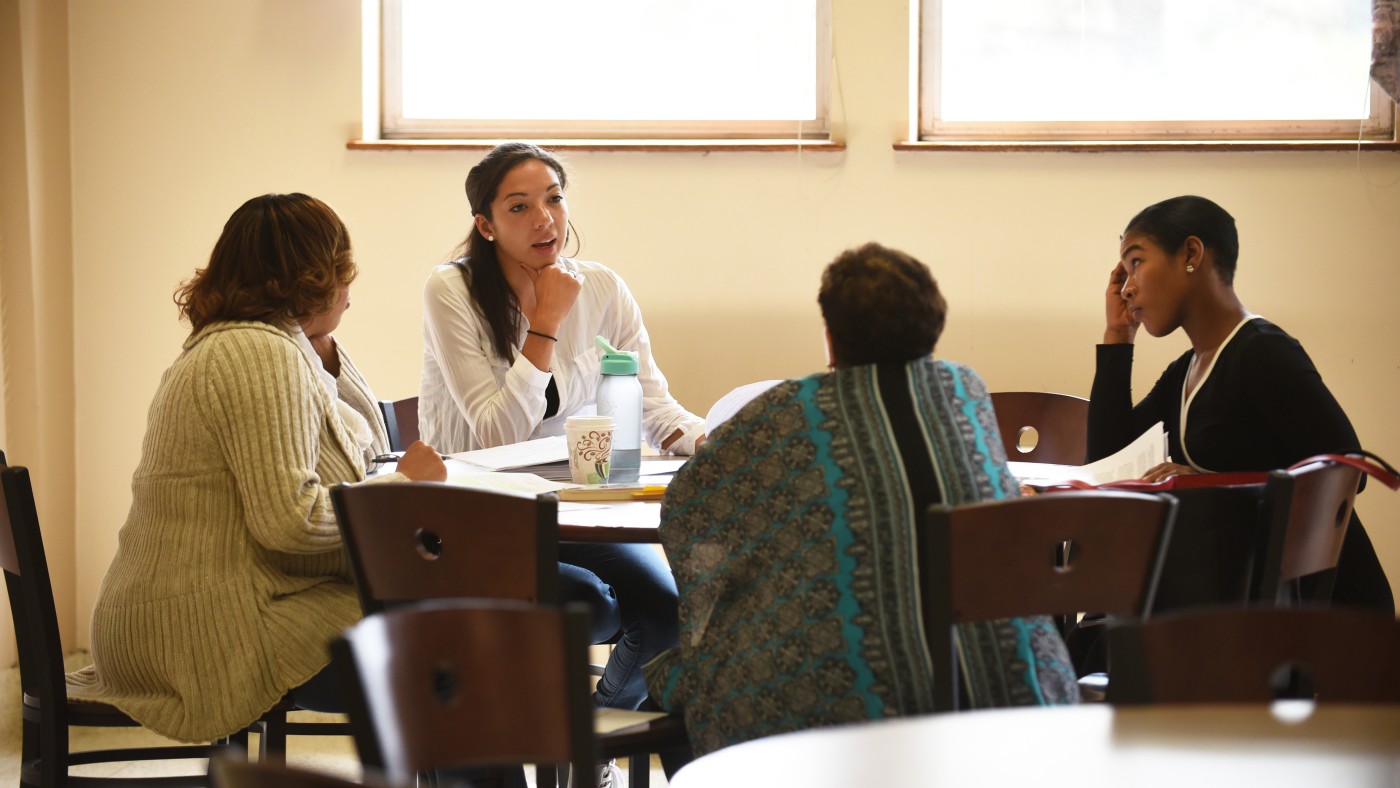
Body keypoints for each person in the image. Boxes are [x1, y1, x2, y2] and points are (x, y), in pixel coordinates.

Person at [645, 243, 1079, 758]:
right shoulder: (963, 391)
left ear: (831, 339)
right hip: (1009, 692)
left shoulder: (786, 411)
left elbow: (687, 509)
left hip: (833, 700)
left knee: (679, 679)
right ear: (934, 324)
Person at [66, 193, 448, 743]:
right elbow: (291, 520)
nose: (350, 288)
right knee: (460, 658)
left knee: (456, 633)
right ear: (315, 278)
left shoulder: (261, 343)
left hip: (202, 606)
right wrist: (406, 489)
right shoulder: (258, 353)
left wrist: (325, 347)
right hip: (209, 628)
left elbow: (368, 443)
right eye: (343, 269)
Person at [418, 142, 698, 712]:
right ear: (486, 225)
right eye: (519, 207)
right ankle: (562, 739)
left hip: (573, 509)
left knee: (667, 613)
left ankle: (592, 739)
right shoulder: (451, 291)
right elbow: (499, 434)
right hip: (480, 515)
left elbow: (655, 407)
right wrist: (546, 320)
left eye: (554, 199)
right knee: (590, 604)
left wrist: (712, 438)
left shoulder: (603, 287)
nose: (544, 219)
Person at [1089, 194, 1392, 612]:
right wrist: (1118, 336)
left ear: (1191, 254)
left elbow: (1347, 471)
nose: (1126, 287)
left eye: (1136, 262)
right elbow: (1106, 458)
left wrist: (1212, 485)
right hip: (1242, 601)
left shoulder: (1264, 352)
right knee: (1099, 628)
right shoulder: (1185, 371)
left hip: (1320, 611)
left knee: (1110, 633)